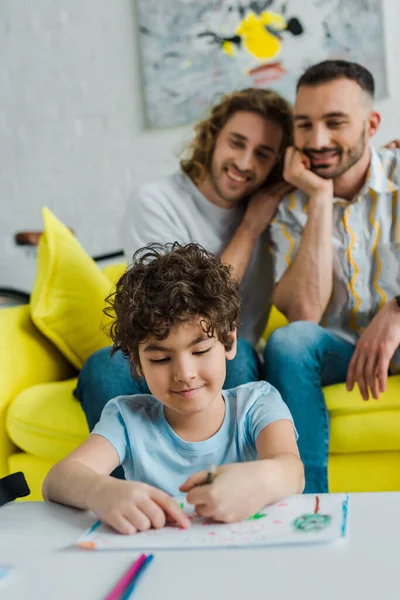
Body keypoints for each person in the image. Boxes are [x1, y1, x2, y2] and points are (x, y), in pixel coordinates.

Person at [43, 243, 304, 533]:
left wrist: (261, 480)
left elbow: (292, 471)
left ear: (228, 342)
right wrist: (101, 491)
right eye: (161, 358)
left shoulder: (258, 404)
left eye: (201, 351)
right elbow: (57, 480)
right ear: (138, 363)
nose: (184, 374)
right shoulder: (125, 418)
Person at [76, 88, 294, 433]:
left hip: (234, 356)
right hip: (167, 348)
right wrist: (250, 228)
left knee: (232, 359)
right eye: (236, 143)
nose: (245, 163)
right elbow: (176, 309)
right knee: (104, 367)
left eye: (263, 154)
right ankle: (125, 488)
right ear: (213, 137)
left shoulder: (281, 211)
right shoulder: (157, 201)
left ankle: (231, 485)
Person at [263, 59, 400, 494]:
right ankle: (309, 505)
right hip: (343, 351)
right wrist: (320, 199)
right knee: (289, 342)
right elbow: (303, 314)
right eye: (304, 125)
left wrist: (397, 310)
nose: (317, 141)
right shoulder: (289, 206)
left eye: (335, 122)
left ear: (371, 124)